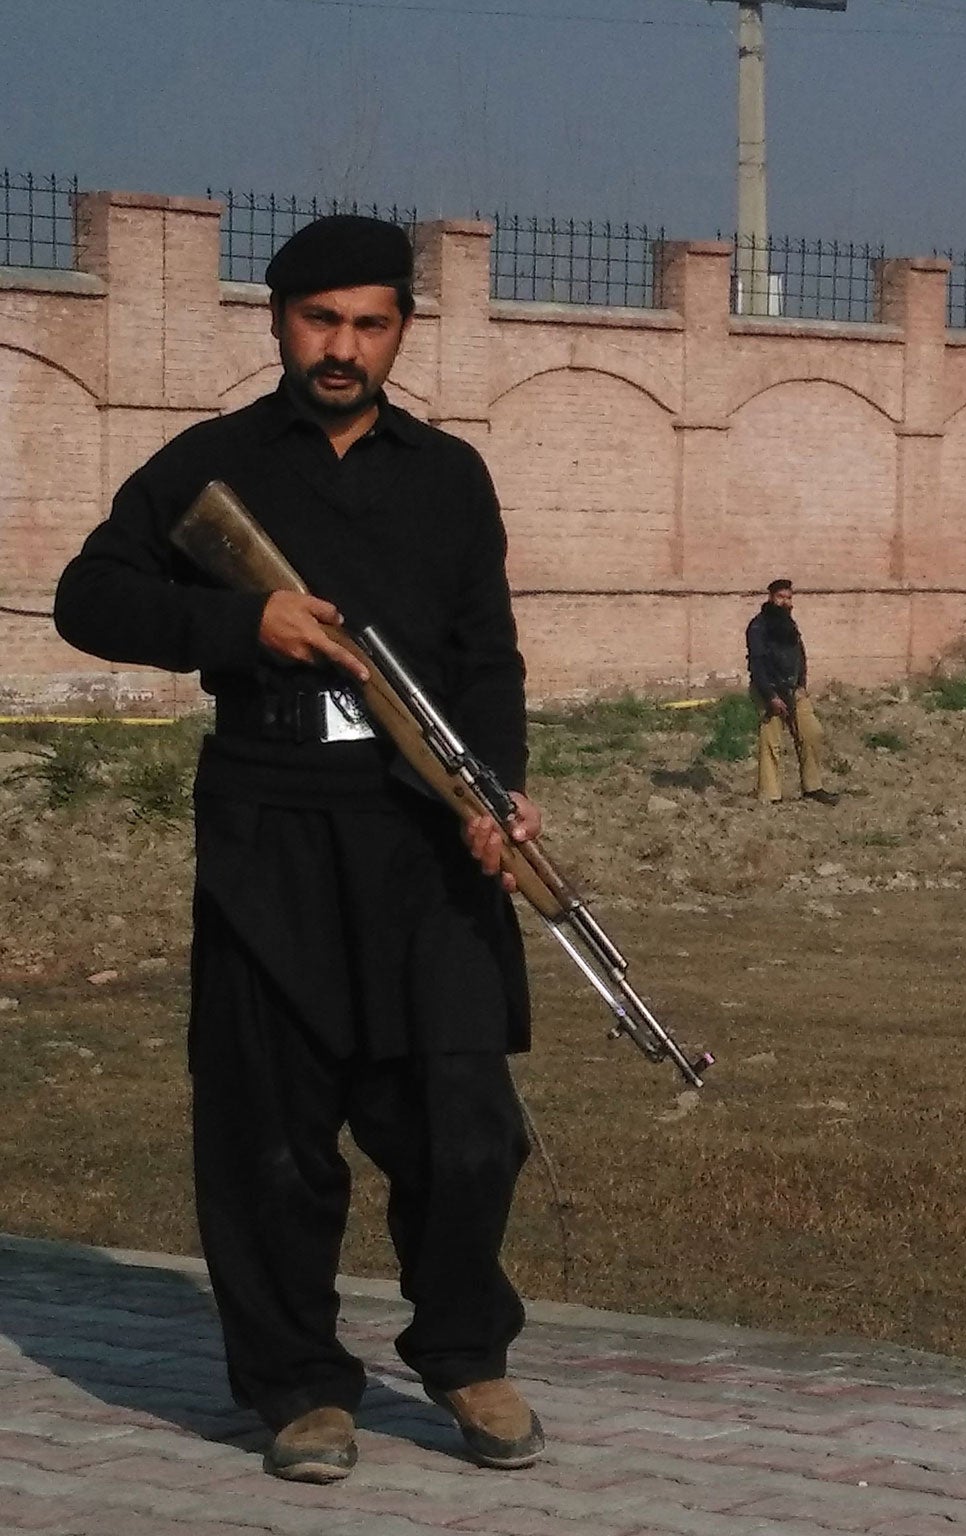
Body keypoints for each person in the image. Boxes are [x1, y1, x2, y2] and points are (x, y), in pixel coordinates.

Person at [52, 215, 544, 1483]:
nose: (342, 347)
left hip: (422, 836)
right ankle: (300, 1390)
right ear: (276, 322)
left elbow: (486, 656)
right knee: (270, 1136)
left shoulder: (449, 477)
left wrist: (500, 793)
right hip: (268, 827)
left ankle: (465, 1356)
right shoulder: (205, 465)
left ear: (401, 333)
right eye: (319, 320)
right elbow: (88, 599)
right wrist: (241, 621)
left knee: (465, 1123)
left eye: (368, 323)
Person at [745, 578, 835, 805]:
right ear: (771, 597)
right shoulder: (758, 627)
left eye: (788, 598)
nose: (785, 602)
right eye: (780, 597)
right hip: (770, 692)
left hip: (794, 690)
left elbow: (799, 656)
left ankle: (813, 787)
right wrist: (771, 697)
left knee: (811, 733)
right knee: (771, 743)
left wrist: (801, 685)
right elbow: (757, 665)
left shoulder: (790, 626)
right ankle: (770, 794)